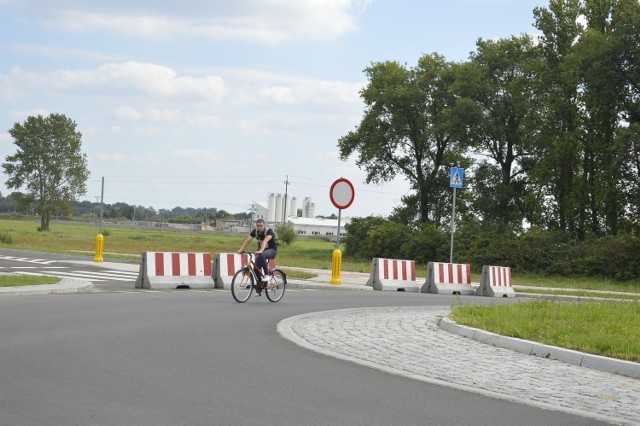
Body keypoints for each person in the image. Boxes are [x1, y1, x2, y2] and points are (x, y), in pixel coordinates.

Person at [237, 219, 277, 295]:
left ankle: (266, 275)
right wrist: (240, 250)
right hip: (262, 251)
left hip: (272, 250)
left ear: (264, 225)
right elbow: (247, 241)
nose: (259, 227)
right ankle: (260, 286)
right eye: (258, 226)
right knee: (255, 268)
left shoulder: (269, 231)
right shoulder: (255, 232)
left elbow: (265, 241)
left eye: (261, 226)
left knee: (262, 255)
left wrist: (261, 250)